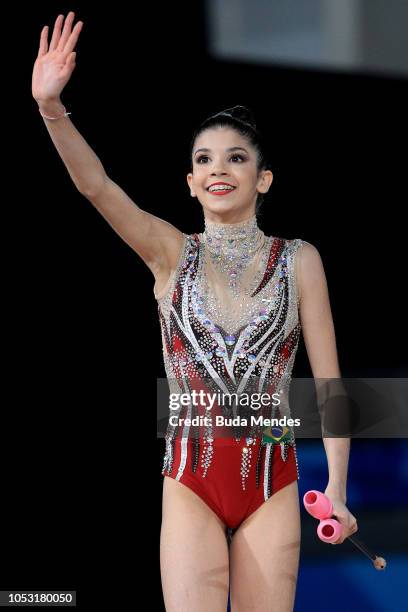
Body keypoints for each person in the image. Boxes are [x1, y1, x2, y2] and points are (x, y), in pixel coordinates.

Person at [32, 12, 359, 612]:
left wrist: (337, 487)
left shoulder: (300, 260)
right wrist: (52, 107)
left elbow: (332, 387)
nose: (218, 170)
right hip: (189, 479)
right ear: (189, 181)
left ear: (262, 179)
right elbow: (97, 186)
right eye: (205, 160)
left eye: (235, 159)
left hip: (273, 479)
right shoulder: (168, 252)